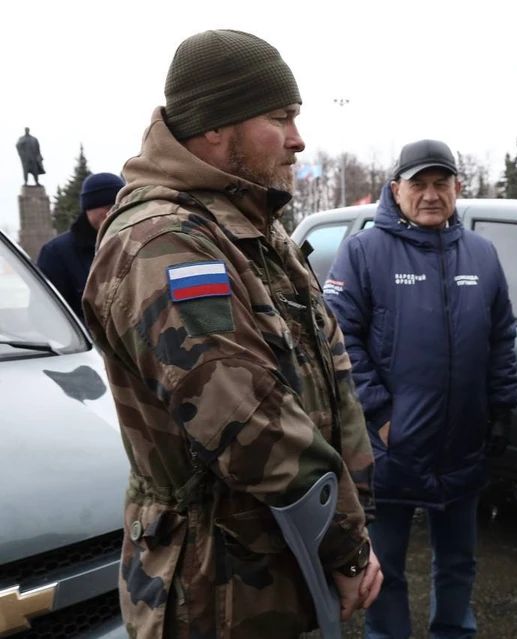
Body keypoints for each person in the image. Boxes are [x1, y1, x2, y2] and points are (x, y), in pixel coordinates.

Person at [81, 29, 382, 638]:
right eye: (280, 118)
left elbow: (329, 375)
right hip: (213, 591)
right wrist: (344, 542)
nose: (298, 140)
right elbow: (245, 418)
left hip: (277, 563)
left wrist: (354, 520)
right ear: (216, 127)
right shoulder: (164, 244)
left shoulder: (251, 228)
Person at [323, 138, 517, 639]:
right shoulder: (363, 252)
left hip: (461, 447)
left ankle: (453, 631)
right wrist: (383, 418)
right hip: (390, 449)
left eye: (441, 183)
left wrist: (501, 407)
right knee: (382, 568)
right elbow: (341, 344)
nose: (431, 194)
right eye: (419, 184)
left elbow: (501, 336)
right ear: (396, 189)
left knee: (458, 564)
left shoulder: (481, 253)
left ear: (457, 187)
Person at [36, 172, 124, 322]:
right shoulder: (56, 253)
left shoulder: (130, 243)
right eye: (113, 208)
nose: (119, 214)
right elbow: (44, 314)